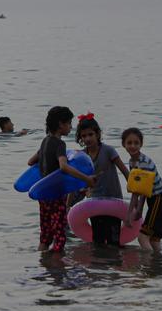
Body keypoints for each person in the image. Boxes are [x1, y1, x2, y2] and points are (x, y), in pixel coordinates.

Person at [26, 107, 96, 253]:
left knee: (45, 234)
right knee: (59, 235)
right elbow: (64, 167)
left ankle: (43, 259)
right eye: (69, 123)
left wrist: (46, 163)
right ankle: (57, 268)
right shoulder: (59, 144)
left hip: (43, 196)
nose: (71, 127)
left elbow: (31, 162)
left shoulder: (45, 141)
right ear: (60, 124)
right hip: (56, 196)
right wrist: (86, 179)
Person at [76, 114, 129, 246]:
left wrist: (136, 193)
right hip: (94, 202)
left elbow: (125, 171)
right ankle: (98, 265)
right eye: (84, 136)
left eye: (90, 134)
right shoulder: (82, 156)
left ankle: (114, 262)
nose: (87, 138)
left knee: (114, 240)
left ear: (98, 134)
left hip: (114, 200)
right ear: (80, 138)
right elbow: (77, 180)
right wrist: (69, 203)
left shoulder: (108, 151)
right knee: (98, 239)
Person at [123, 128, 162, 252]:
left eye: (136, 143)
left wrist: (132, 213)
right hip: (154, 199)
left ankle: (147, 266)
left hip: (159, 199)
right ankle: (157, 265)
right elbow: (139, 188)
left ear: (141, 144)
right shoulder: (132, 162)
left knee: (142, 237)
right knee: (154, 238)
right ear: (124, 144)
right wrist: (138, 209)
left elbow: (139, 191)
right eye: (129, 143)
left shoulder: (143, 162)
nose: (133, 146)